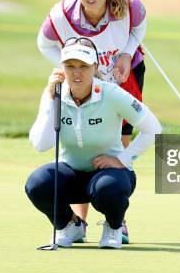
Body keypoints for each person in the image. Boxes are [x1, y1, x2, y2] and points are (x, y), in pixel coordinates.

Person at [36, 0, 148, 235]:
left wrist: (126, 53)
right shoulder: (61, 15)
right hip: (83, 80)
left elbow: (139, 28)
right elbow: (44, 43)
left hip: (125, 75)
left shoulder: (129, 5)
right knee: (81, 140)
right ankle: (79, 221)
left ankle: (115, 218)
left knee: (117, 143)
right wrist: (70, 67)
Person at [25, 39, 161, 248]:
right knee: (37, 183)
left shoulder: (112, 93)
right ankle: (70, 225)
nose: (76, 73)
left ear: (95, 67)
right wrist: (51, 101)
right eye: (70, 66)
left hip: (111, 176)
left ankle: (114, 226)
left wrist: (122, 159)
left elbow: (153, 128)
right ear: (62, 68)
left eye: (83, 66)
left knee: (108, 188)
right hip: (71, 174)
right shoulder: (55, 93)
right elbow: (41, 144)